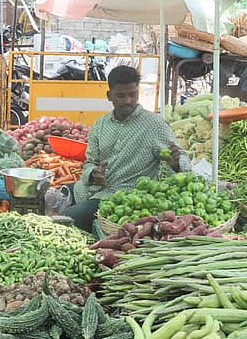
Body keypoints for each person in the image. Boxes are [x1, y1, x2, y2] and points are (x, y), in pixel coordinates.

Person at [64, 65, 188, 233]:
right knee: (55, 195)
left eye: (132, 95)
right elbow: (90, 161)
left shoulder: (154, 125)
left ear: (138, 93)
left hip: (125, 198)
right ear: (109, 96)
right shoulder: (100, 125)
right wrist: (93, 174)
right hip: (93, 189)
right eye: (121, 95)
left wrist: (175, 163)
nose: (128, 101)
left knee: (67, 218)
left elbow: (183, 161)